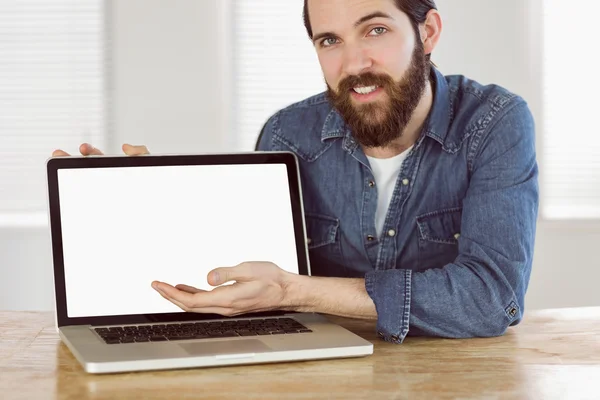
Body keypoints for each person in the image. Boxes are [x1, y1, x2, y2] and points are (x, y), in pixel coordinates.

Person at [53, 0, 538, 344]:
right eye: (330, 40)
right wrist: (146, 203)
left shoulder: (493, 123)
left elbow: (491, 299)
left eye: (375, 30)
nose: (353, 63)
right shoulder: (288, 134)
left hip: (450, 377)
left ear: (427, 32)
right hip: (321, 370)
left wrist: (299, 290)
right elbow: (255, 278)